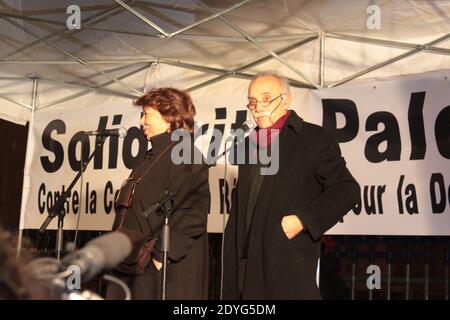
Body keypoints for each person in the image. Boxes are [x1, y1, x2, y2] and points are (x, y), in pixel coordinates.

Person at [223, 71, 360, 299]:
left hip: (284, 265)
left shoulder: (313, 138)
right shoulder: (248, 144)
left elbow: (347, 189)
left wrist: (303, 220)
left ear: (285, 100)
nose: (257, 107)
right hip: (244, 267)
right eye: (252, 101)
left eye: (266, 99)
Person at [106, 88, 210, 300]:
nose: (142, 121)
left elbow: (192, 215)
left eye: (147, 115)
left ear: (170, 118)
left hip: (158, 273)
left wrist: (159, 257)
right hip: (132, 265)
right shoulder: (149, 157)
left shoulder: (185, 154)